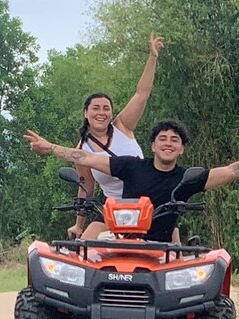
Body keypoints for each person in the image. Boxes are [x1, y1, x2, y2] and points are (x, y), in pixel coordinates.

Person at [24, 120, 239, 243]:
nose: (168, 143)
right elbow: (85, 157)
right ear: (153, 146)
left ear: (181, 149)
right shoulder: (132, 166)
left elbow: (230, 171)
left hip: (162, 253)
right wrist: (51, 147)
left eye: (175, 140)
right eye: (162, 139)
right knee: (79, 258)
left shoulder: (186, 178)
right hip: (121, 243)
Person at [69, 32, 164, 238]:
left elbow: (141, 94)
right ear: (86, 113)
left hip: (147, 203)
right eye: (96, 108)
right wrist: (78, 225)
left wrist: (152, 57)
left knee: (168, 243)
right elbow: (87, 188)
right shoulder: (82, 150)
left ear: (112, 112)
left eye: (106, 108)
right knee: (84, 247)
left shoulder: (123, 126)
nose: (101, 113)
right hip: (113, 210)